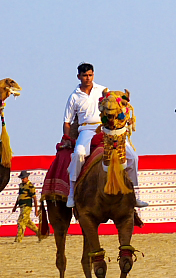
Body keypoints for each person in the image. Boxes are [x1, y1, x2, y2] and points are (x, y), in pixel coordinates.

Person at [63, 62, 147, 208]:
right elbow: (67, 121)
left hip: (108, 128)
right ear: (79, 77)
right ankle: (72, 193)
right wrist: (67, 138)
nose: (88, 78)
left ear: (93, 74)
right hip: (86, 130)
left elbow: (118, 107)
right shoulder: (74, 97)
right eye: (84, 76)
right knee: (78, 154)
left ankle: (134, 194)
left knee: (133, 157)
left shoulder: (104, 91)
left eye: (90, 75)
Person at [11, 170, 39, 242]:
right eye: (22, 178)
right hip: (21, 206)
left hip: (27, 206)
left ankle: (18, 239)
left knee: (21, 222)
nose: (22, 180)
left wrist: (36, 210)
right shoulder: (21, 185)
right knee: (27, 222)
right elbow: (19, 196)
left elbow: (34, 198)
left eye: (23, 178)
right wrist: (15, 206)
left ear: (27, 177)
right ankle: (40, 233)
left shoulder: (30, 186)